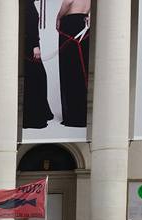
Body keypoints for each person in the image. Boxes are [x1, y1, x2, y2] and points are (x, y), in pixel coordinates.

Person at [56, 0, 91, 128]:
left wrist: (58, 17)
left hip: (70, 25)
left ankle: (73, 116)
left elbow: (68, 2)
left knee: (70, 71)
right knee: (82, 69)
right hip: (84, 24)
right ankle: (83, 114)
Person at [22, 0, 53, 129]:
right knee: (36, 79)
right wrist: (35, 46)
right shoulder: (28, 5)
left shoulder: (28, 5)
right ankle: (34, 117)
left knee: (37, 78)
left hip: (29, 44)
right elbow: (29, 27)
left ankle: (39, 112)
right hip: (30, 46)